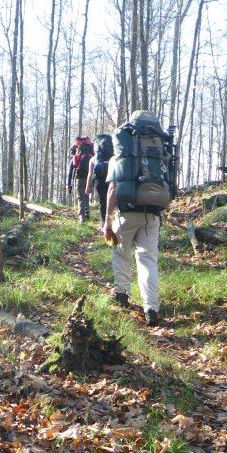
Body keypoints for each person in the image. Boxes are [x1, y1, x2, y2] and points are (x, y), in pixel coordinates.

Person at [103, 110, 172, 327]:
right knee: (148, 261)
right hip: (152, 213)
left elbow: (113, 188)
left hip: (127, 211)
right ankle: (151, 307)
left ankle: (122, 294)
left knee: (121, 252)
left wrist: (107, 219)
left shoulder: (120, 156)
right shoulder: (159, 155)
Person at [85, 133, 113, 228]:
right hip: (112, 180)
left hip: (99, 181)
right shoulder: (113, 158)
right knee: (113, 201)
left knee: (102, 203)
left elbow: (90, 174)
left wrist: (88, 187)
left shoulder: (93, 159)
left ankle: (103, 225)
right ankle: (114, 224)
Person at [66, 136, 94, 222]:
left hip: (79, 178)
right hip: (90, 178)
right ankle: (87, 213)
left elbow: (70, 171)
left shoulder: (76, 157)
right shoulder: (90, 156)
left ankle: (82, 217)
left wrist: (69, 184)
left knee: (81, 197)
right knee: (86, 195)